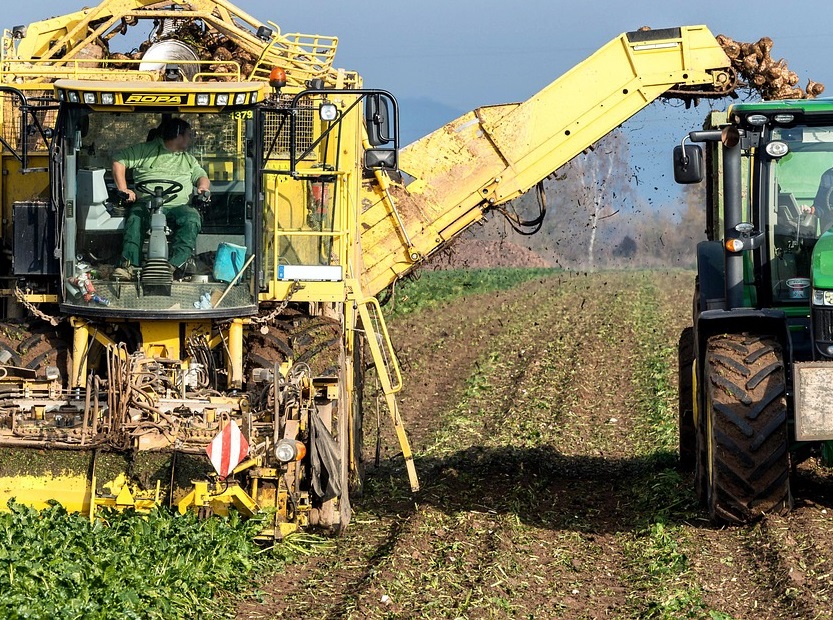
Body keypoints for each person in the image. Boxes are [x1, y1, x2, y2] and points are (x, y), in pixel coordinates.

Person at [112, 117, 209, 280]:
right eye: (189, 135)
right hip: (146, 204)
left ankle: (174, 265)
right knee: (135, 218)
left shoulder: (188, 159)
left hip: (177, 207)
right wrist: (123, 189)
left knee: (192, 218)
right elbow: (118, 161)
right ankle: (129, 266)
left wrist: (203, 187)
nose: (191, 139)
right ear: (178, 134)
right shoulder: (144, 150)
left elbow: (202, 176)